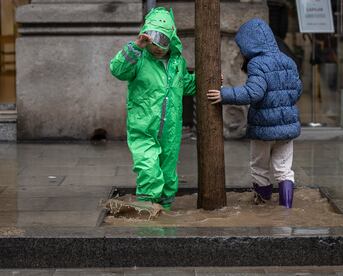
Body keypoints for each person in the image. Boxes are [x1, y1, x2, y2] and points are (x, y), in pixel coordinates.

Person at [207, 18, 302, 207]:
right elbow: (297, 89)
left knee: (259, 167)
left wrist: (224, 94)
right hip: (287, 126)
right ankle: (287, 210)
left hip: (263, 127)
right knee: (284, 169)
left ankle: (262, 204)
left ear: (250, 43)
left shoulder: (257, 63)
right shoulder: (288, 61)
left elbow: (253, 93)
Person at [109, 7, 196, 210]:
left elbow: (188, 85)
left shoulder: (177, 63)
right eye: (153, 40)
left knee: (168, 174)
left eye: (163, 40)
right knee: (148, 170)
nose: (157, 46)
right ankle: (146, 212)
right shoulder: (138, 58)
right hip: (143, 129)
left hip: (171, 132)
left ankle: (164, 213)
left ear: (172, 38)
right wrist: (137, 46)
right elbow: (117, 69)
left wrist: (208, 82)